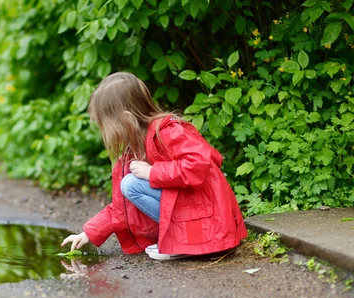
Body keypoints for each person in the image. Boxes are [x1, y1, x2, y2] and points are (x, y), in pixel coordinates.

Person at [61, 72, 247, 260]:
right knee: (130, 184)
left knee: (131, 184)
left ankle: (181, 241)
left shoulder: (167, 132)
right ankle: (177, 238)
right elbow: (121, 207)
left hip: (207, 218)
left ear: (125, 118)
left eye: (105, 125)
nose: (104, 133)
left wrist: (152, 172)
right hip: (193, 213)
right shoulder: (135, 146)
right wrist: (89, 233)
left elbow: (199, 164)